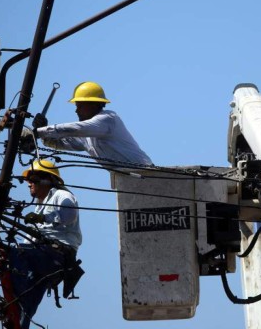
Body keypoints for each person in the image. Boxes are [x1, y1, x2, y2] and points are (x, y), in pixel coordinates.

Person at [8, 160, 82, 329]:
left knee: (14, 253)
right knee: (26, 307)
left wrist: (44, 218)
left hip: (55, 256)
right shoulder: (39, 206)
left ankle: (15, 296)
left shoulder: (61, 195)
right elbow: (29, 240)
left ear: (48, 180)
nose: (29, 184)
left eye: (33, 179)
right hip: (43, 260)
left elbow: (69, 213)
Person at [31, 81, 153, 167]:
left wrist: (39, 132)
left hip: (147, 174)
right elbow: (59, 143)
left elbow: (76, 129)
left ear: (95, 104)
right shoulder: (86, 138)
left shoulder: (108, 119)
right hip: (125, 179)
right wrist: (44, 134)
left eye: (80, 106)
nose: (76, 110)